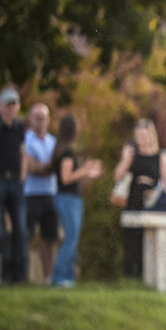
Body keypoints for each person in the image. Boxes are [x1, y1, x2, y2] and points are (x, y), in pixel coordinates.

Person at [50, 115, 102, 287]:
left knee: (73, 238)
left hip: (71, 198)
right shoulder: (66, 153)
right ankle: (59, 277)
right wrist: (84, 170)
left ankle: (68, 277)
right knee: (70, 238)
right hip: (67, 199)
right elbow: (66, 178)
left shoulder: (63, 150)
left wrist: (86, 172)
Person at [114, 119, 166, 278]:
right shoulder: (132, 154)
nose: (141, 139)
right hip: (133, 201)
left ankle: (147, 276)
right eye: (138, 135)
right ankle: (130, 276)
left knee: (149, 240)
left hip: (151, 203)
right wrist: (124, 159)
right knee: (131, 240)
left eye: (144, 135)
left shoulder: (160, 157)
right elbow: (117, 177)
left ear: (151, 135)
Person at [0, 85, 29, 283]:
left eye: (13, 105)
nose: (10, 109)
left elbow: (23, 152)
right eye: (7, 105)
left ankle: (18, 275)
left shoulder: (19, 127)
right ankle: (1, 273)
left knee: (21, 229)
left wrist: (23, 174)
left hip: (16, 181)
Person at [23, 103, 58, 282]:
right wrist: (48, 167)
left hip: (50, 194)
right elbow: (32, 167)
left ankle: (47, 277)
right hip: (30, 195)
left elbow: (56, 167)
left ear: (48, 120)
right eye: (36, 117)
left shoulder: (53, 141)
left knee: (49, 238)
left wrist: (44, 167)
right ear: (30, 119)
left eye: (43, 117)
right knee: (26, 236)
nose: (40, 120)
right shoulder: (25, 140)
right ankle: (22, 276)